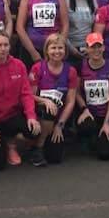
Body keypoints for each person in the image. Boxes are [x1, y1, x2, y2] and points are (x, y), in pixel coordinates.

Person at [0, 31, 40, 169]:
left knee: (34, 130)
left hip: (12, 116)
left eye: (6, 45)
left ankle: (11, 144)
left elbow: (26, 94)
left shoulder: (19, 65)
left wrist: (31, 116)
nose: (3, 48)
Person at [29, 34, 79, 166]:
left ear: (65, 50)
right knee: (49, 109)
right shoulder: (37, 68)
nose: (57, 51)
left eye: (60, 48)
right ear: (46, 50)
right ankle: (37, 147)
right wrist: (45, 101)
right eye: (53, 48)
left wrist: (60, 125)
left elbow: (70, 102)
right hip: (40, 114)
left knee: (55, 158)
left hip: (58, 118)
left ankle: (46, 139)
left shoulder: (71, 71)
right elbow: (29, 95)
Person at [77, 33, 109, 160]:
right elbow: (75, 92)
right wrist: (84, 109)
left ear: (104, 47)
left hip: (106, 114)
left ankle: (104, 136)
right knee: (86, 126)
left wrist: (107, 123)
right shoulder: (80, 66)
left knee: (105, 154)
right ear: (87, 48)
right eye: (93, 47)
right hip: (89, 115)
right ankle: (88, 138)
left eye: (99, 46)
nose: (96, 50)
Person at [17, 0, 68, 68]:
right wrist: (32, 52)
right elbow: (20, 28)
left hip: (54, 50)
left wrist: (59, 46)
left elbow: (65, 25)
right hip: (32, 48)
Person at [64, 0, 95, 64]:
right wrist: (72, 49)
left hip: (88, 49)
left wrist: (90, 48)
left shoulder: (93, 0)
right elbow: (62, 26)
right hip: (69, 49)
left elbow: (94, 27)